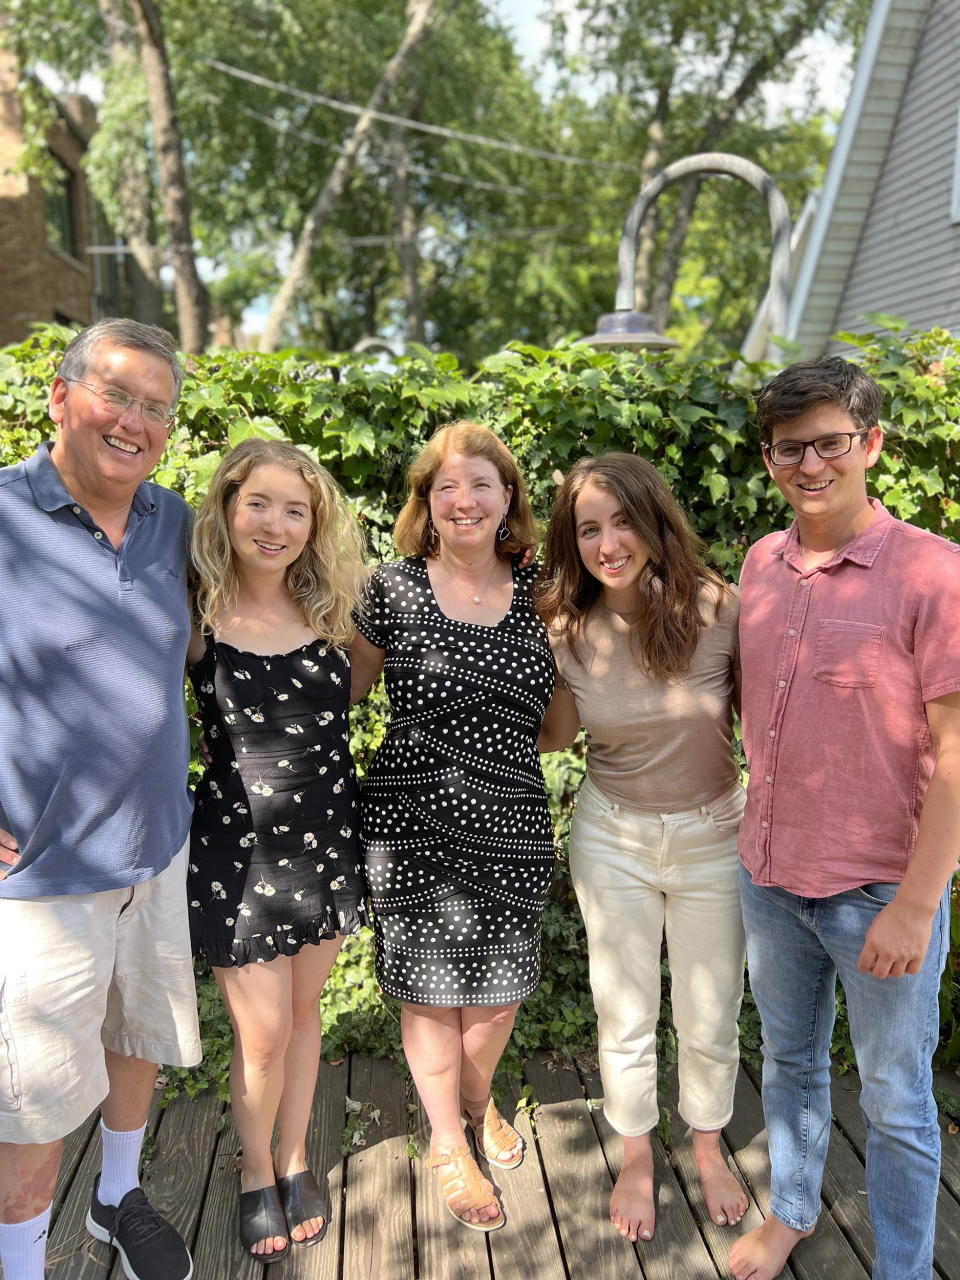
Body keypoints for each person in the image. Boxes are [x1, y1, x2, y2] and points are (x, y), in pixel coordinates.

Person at [729, 356, 960, 1280]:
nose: (810, 464)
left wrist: (917, 903)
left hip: (880, 891)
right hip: (772, 875)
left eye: (831, 443)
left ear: (870, 444)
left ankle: (901, 1267)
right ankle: (792, 1208)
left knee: (900, 1099)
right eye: (791, 448)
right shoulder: (761, 564)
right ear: (771, 457)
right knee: (787, 1064)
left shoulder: (932, 575)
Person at [0, 319, 201, 1280]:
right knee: (31, 1106)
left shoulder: (175, 523)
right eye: (116, 395)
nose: (134, 421)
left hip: (156, 851)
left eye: (156, 408)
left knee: (138, 1039)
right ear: (59, 396)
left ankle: (118, 1198)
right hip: (41, 878)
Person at [348, 420, 558, 1232]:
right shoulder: (390, 589)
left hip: (510, 821)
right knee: (430, 999)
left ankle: (478, 1101)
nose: (464, 501)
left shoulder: (544, 589)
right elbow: (348, 696)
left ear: (508, 498)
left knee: (497, 1002)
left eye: (481, 485)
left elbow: (561, 724)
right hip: (408, 824)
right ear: (425, 503)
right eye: (446, 487)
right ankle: (447, 1141)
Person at [536, 452, 749, 1246]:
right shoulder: (563, 625)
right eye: (588, 528)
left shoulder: (722, 608)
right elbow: (556, 738)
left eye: (622, 520)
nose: (608, 542)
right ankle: (634, 1155)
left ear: (654, 522)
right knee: (623, 1009)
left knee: (709, 1011)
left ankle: (704, 1145)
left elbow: (765, 727)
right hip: (613, 835)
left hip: (714, 836)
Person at [187, 438, 369, 1263]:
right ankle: (254, 1172)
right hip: (240, 851)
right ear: (227, 507)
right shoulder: (192, 612)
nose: (276, 523)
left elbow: (350, 701)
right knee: (258, 1036)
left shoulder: (333, 610)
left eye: (295, 510)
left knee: (302, 1017)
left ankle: (295, 1158)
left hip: (327, 840)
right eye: (259, 503)